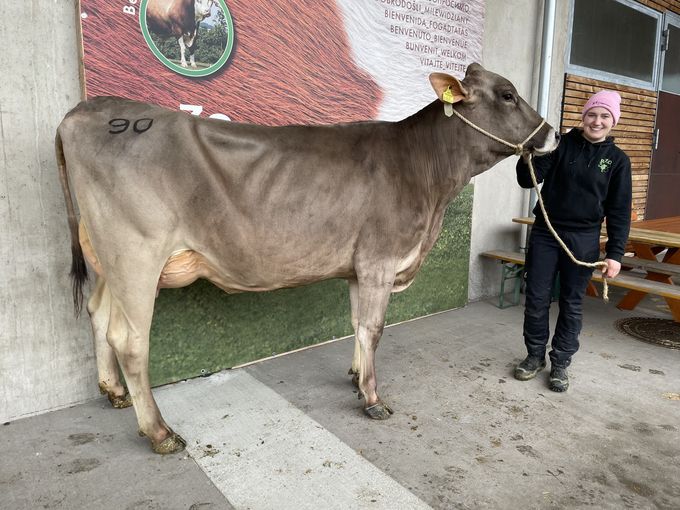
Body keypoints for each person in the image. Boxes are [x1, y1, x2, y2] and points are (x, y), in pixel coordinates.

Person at [514, 90, 632, 392]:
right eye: (593, 114)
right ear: (584, 115)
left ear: (613, 122)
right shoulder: (560, 144)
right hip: (546, 233)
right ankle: (534, 356)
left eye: (605, 116)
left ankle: (561, 363)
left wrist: (615, 253)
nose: (597, 121)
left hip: (584, 239)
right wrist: (529, 153)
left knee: (572, 303)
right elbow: (528, 180)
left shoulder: (618, 161)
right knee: (537, 299)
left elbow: (619, 211)